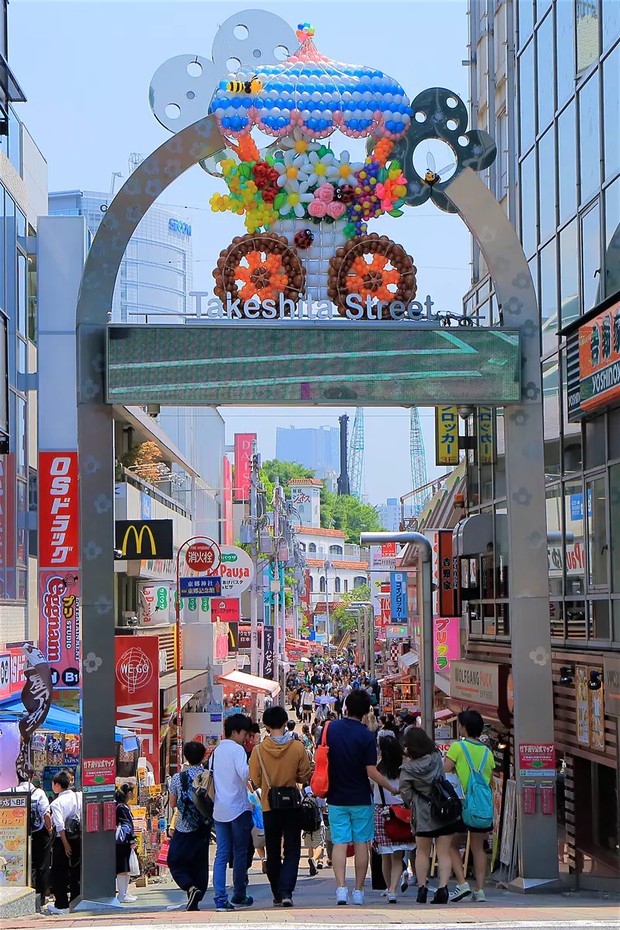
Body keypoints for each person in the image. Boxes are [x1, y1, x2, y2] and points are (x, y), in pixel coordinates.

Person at [325, 689, 394, 906]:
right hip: (361, 796)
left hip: (336, 795)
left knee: (339, 842)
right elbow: (371, 771)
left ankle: (340, 889)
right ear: (365, 712)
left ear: (345, 707)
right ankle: (359, 891)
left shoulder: (330, 728)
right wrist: (391, 788)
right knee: (361, 843)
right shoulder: (366, 735)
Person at [249, 705, 313, 908]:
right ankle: (287, 891)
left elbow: (255, 779)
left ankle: (277, 891)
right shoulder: (297, 747)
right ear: (286, 723)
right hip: (292, 804)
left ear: (266, 726)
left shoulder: (259, 751)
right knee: (292, 848)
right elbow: (304, 775)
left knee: (273, 849)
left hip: (269, 805)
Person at [399, 727, 459, 905]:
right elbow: (442, 778)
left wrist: (415, 801)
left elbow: (405, 793)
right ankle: (443, 889)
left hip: (422, 813)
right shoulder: (436, 758)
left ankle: (422, 888)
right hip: (443, 810)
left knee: (422, 852)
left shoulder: (407, 769)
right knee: (444, 852)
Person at [445, 710, 494, 903]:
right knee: (478, 848)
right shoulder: (487, 753)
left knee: (451, 845)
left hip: (461, 802)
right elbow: (489, 781)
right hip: (481, 805)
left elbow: (445, 769)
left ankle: (462, 883)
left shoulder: (457, 747)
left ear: (464, 727)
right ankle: (480, 890)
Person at [212, 713, 254, 912]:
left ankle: (220, 898)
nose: (246, 737)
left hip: (219, 809)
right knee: (239, 853)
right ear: (236, 732)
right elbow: (245, 775)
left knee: (221, 854)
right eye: (245, 733)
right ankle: (239, 894)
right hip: (238, 807)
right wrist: (254, 761)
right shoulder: (237, 750)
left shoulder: (216, 750)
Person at [167, 741, 210, 911]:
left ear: (185, 756)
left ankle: (190, 888)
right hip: (204, 825)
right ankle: (196, 894)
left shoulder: (178, 778)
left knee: (175, 860)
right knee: (199, 863)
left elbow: (172, 804)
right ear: (203, 756)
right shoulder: (208, 776)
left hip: (183, 826)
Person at [373, 737, 415, 903]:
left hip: (380, 811)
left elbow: (371, 788)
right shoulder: (403, 770)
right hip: (400, 813)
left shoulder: (377, 770)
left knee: (385, 854)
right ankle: (392, 890)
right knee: (398, 855)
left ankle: (389, 887)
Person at [17, 767, 52, 903]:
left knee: (22, 865)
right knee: (42, 865)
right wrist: (49, 829)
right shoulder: (39, 793)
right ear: (31, 778)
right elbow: (46, 814)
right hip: (39, 834)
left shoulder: (11, 792)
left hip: (19, 834)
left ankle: (22, 896)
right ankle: (41, 896)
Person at [48, 771, 81, 914]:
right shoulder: (78, 796)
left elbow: (60, 825)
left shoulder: (56, 803)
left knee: (59, 871)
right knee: (76, 870)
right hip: (77, 836)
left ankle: (61, 904)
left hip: (62, 840)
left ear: (57, 785)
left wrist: (65, 844)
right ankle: (76, 901)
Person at [115, 785, 137, 904]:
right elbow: (127, 825)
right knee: (122, 868)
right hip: (123, 842)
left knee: (125, 868)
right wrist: (132, 838)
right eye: (132, 792)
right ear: (128, 793)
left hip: (123, 842)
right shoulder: (122, 807)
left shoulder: (121, 806)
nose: (133, 795)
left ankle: (124, 892)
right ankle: (122, 894)